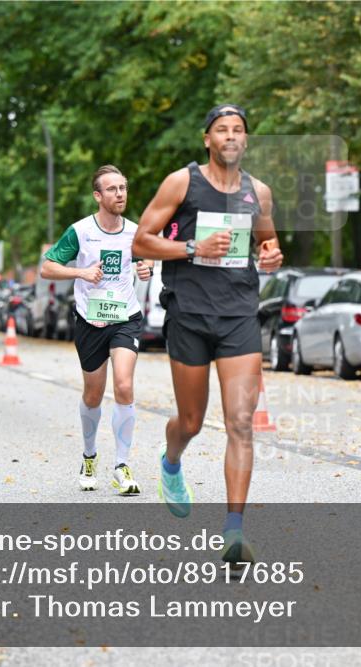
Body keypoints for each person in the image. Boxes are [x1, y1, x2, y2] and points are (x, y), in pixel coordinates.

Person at [132, 104, 283, 563]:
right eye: (222, 130)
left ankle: (234, 532)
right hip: (190, 314)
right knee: (192, 422)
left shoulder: (259, 192)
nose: (231, 136)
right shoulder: (182, 183)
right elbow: (141, 240)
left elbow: (268, 243)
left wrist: (273, 257)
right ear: (207, 139)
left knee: (240, 423)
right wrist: (192, 246)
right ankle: (170, 460)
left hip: (238, 314)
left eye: (238, 130)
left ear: (245, 140)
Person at [41, 165, 153, 496]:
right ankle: (89, 456)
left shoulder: (136, 231)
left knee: (123, 384)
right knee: (93, 394)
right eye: (113, 189)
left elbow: (145, 261)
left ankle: (121, 465)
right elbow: (47, 267)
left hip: (125, 318)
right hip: (90, 321)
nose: (120, 194)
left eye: (124, 187)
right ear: (98, 195)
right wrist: (81, 273)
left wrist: (145, 268)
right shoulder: (79, 231)